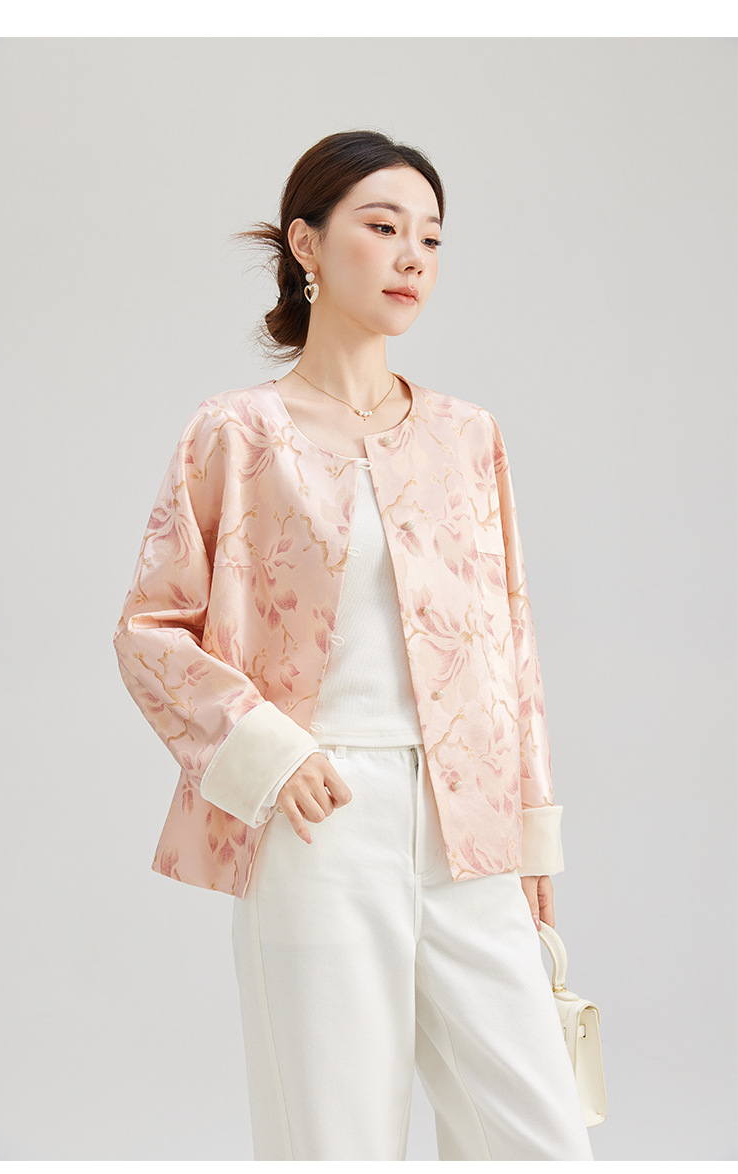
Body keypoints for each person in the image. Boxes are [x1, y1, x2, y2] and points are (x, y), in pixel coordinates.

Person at [113, 129, 594, 1161]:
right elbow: (151, 630)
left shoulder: (468, 436)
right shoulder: (238, 432)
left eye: (432, 237)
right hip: (319, 820)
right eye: (383, 227)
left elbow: (512, 645)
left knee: (540, 1142)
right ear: (308, 245)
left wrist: (530, 841)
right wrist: (269, 753)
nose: (413, 255)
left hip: (467, 827)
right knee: (335, 1142)